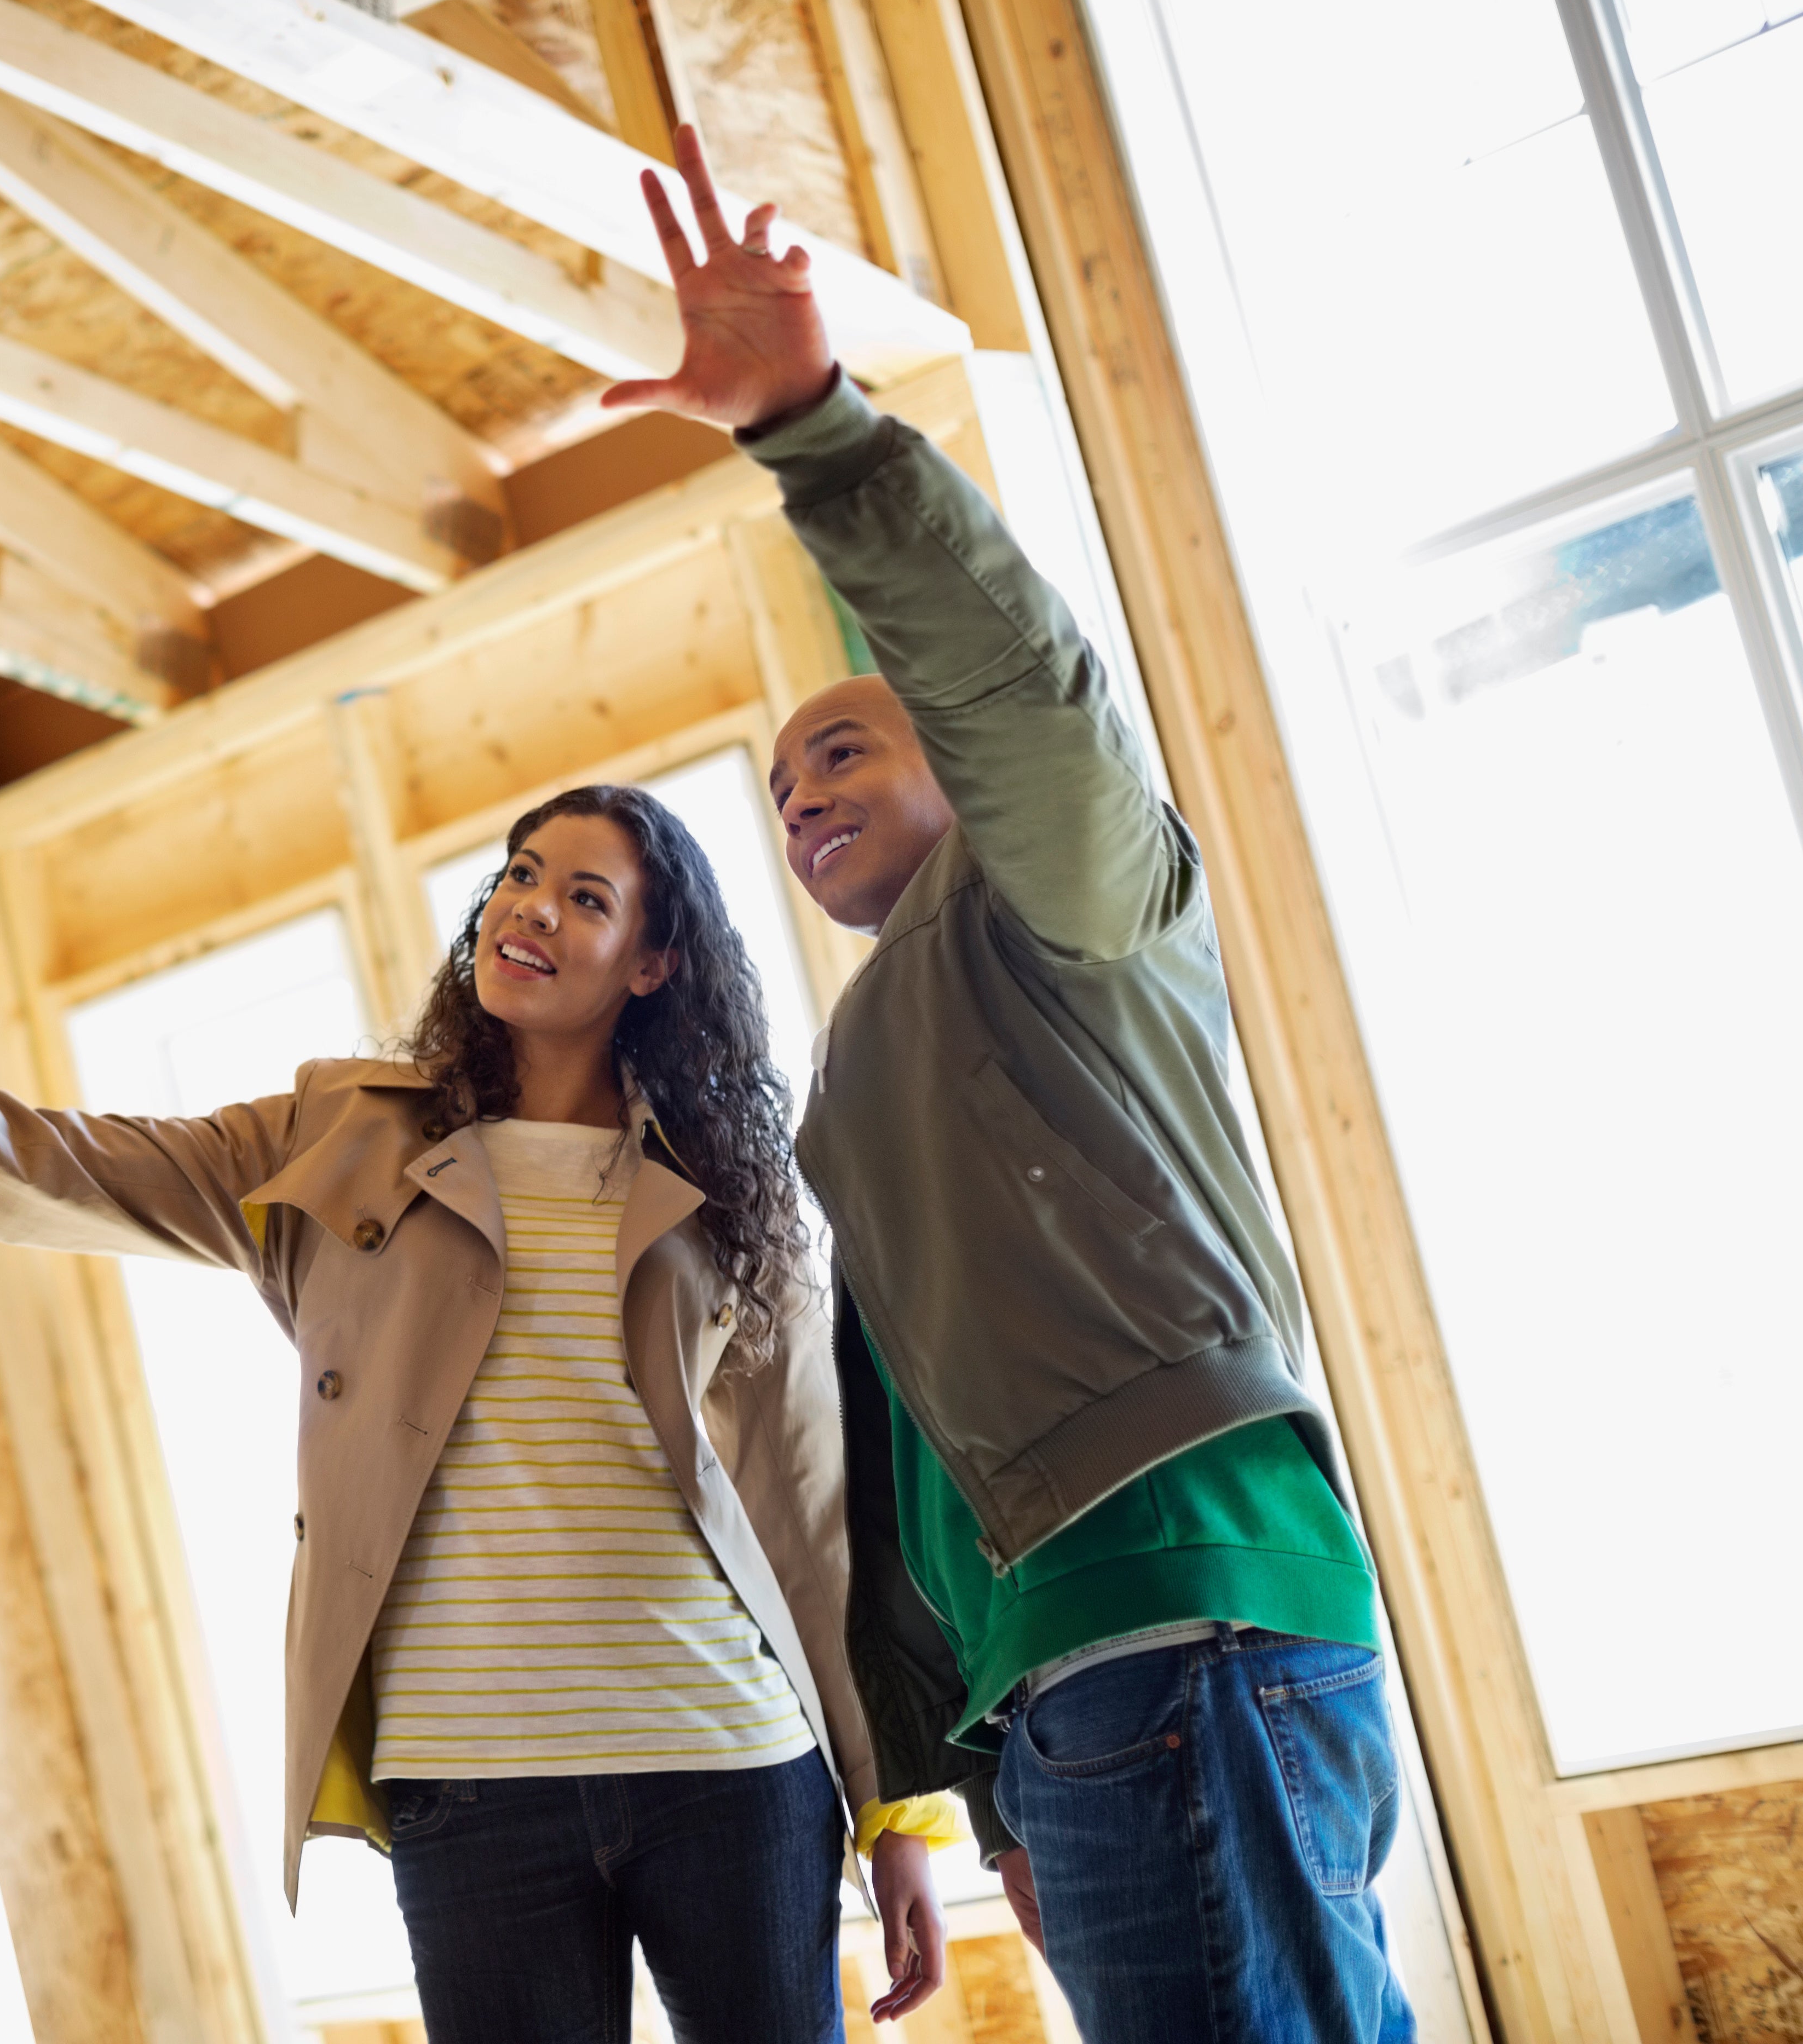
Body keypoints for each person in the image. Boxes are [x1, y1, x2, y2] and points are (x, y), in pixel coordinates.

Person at [0, 786, 963, 2042]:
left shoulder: (727, 1197)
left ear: (653, 967)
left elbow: (808, 1512)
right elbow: (44, 1169)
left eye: (586, 899)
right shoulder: (343, 1137)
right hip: (467, 1789)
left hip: (725, 1765)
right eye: (519, 876)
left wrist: (890, 1806)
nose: (530, 909)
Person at [602, 127, 1415, 2042]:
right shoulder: (880, 1059)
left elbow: (1025, 691)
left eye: (848, 747)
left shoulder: (1069, 896)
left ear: (956, 769)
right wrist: (976, 1767)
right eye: (781, 787)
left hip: (1183, 1612)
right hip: (1070, 1676)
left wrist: (814, 427)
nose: (800, 796)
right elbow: (896, 1426)